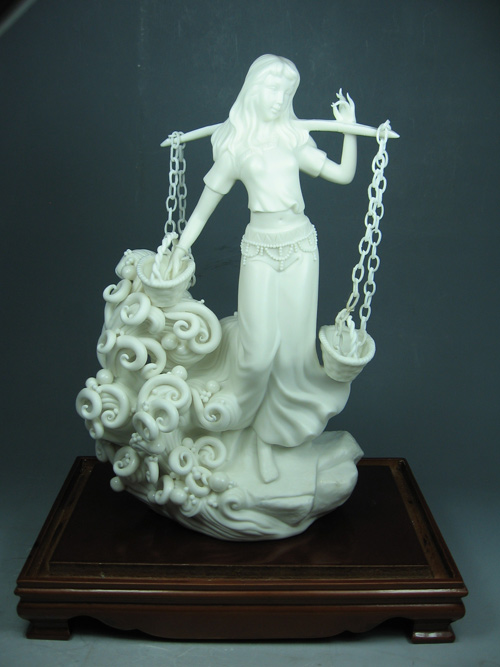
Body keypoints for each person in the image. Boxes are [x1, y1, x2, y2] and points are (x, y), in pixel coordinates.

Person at [167, 54, 358, 457]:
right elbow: (203, 208)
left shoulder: (293, 138)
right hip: (259, 249)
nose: (278, 99)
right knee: (256, 354)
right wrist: (180, 248)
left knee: (294, 354)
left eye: (287, 93)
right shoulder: (236, 145)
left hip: (301, 247)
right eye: (272, 89)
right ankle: (230, 414)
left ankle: (277, 435)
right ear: (254, 90)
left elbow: (343, 175)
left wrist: (349, 130)